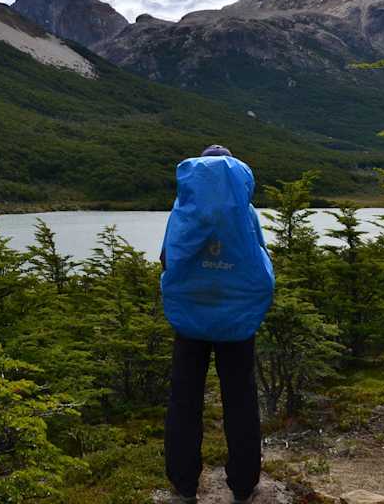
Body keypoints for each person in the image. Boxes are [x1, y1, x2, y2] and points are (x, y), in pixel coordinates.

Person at [159, 145, 275, 503]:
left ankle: (184, 484)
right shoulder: (246, 214)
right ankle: (243, 484)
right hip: (237, 323)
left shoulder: (182, 213)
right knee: (240, 398)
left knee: (184, 399)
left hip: (190, 320)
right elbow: (259, 262)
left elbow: (167, 260)